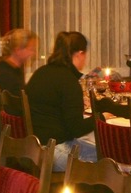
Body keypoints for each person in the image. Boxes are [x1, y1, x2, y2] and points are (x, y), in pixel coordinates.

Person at [26, 31, 99, 171]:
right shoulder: (69, 81)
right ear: (79, 54)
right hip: (52, 151)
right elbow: (75, 129)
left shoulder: (41, 72)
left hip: (33, 146)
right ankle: (88, 192)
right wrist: (99, 118)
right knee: (109, 160)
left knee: (97, 151)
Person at [0, 28, 38, 144]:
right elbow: (16, 110)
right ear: (18, 50)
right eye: (30, 49)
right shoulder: (6, 75)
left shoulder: (7, 68)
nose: (33, 53)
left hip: (1, 132)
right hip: (6, 137)